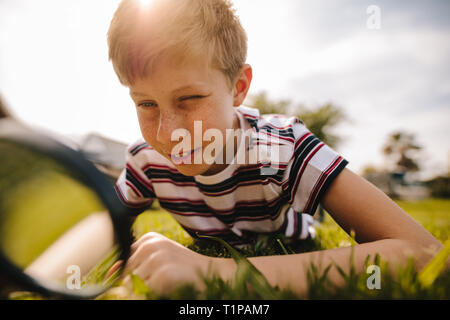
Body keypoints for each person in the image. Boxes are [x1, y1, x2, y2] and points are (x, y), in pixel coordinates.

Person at [107, 0, 442, 296]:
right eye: (146, 104)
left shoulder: (280, 147)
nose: (168, 133)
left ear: (238, 87)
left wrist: (219, 272)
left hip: (292, 234)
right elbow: (96, 231)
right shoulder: (145, 160)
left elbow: (424, 251)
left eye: (190, 98)